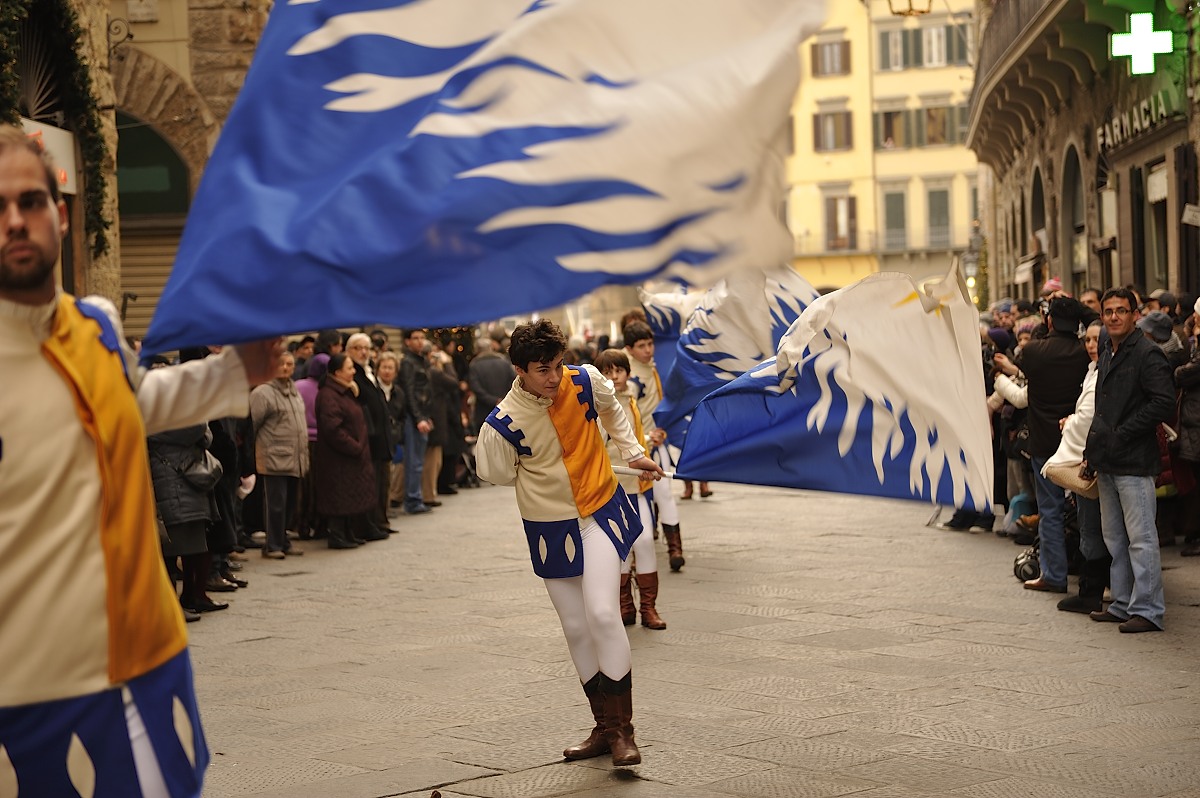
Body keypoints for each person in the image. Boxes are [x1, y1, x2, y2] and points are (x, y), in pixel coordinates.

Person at [0, 123, 280, 796]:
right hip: (32, 694)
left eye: (30, 202)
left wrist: (237, 371)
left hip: (149, 660)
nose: (14, 221)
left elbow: (134, 402)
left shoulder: (94, 326)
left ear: (60, 215)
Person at [476, 320, 663, 766]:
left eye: (557, 365)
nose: (554, 377)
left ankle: (624, 734)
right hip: (550, 528)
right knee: (576, 628)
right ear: (518, 369)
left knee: (601, 611)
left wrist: (630, 449)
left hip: (598, 509)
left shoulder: (584, 379)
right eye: (543, 369)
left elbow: (614, 408)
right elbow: (496, 473)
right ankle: (604, 728)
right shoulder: (503, 421)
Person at [1086, 288, 1177, 632]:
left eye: (1120, 311)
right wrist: (1091, 451)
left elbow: (1163, 403)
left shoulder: (1148, 353)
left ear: (1134, 315)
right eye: (1108, 311)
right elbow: (1102, 404)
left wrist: (1124, 432)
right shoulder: (1109, 349)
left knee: (1141, 538)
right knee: (1115, 538)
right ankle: (1122, 603)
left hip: (1135, 461)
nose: (1112, 317)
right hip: (1107, 459)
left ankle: (1149, 610)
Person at [1015, 296, 1091, 593]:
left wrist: (1042, 326)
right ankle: (1091, 577)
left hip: (1045, 444)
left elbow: (1025, 358)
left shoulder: (1034, 351)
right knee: (1088, 511)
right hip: (1079, 444)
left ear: (1048, 321)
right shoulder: (1084, 353)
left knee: (1050, 511)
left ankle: (1054, 575)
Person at [1039, 321, 1110, 614]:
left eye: (1096, 339)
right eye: (1088, 340)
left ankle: (1092, 591)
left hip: (1092, 456)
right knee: (1090, 525)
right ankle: (1092, 589)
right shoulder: (1092, 369)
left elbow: (1089, 416)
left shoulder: (1102, 370)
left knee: (1093, 527)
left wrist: (1071, 423)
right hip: (1090, 453)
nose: (1091, 345)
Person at [594, 348, 666, 630]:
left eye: (619, 371)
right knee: (619, 548)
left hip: (636, 484)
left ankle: (649, 607)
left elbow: (632, 438)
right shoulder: (597, 404)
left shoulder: (631, 400)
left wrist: (649, 438)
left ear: (627, 372)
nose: (614, 377)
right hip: (610, 486)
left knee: (646, 540)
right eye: (608, 372)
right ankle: (626, 605)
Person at [623, 320, 686, 570]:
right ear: (629, 349)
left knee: (664, 495)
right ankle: (641, 550)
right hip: (639, 448)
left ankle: (675, 549)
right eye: (641, 346)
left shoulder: (651, 367)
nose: (648, 349)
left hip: (656, 445)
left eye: (650, 344)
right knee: (642, 500)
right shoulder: (631, 379)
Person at [250, 350, 310, 559]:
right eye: (281, 364)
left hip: (294, 457)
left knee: (290, 504)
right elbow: (252, 426)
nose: (285, 368)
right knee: (275, 504)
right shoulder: (262, 392)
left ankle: (283, 540)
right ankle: (273, 544)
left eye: (289, 364)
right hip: (273, 457)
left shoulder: (293, 389)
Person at [314, 353, 378, 549]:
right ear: (337, 372)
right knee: (339, 496)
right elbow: (332, 428)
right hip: (339, 457)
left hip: (351, 456)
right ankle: (337, 534)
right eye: (349, 368)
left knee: (350, 496)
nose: (353, 372)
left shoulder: (347, 391)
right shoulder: (328, 395)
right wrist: (354, 446)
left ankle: (348, 532)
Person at [346, 332, 394, 538]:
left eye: (366, 348)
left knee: (383, 482)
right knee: (371, 484)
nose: (364, 352)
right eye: (358, 348)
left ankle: (381, 520)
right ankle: (370, 524)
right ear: (349, 351)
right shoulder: (351, 374)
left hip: (380, 436)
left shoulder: (368, 371)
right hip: (368, 437)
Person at [399, 328, 435, 514]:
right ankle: (412, 500)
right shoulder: (407, 363)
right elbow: (409, 392)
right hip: (414, 418)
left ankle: (416, 497)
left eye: (422, 338)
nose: (420, 341)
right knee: (414, 461)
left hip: (422, 415)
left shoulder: (421, 361)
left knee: (418, 460)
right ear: (407, 341)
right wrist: (419, 418)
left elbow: (425, 391)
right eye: (415, 338)